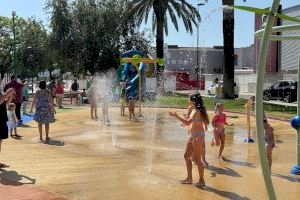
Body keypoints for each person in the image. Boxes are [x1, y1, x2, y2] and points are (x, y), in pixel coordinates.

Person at [169, 93, 209, 187]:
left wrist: (176, 116)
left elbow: (187, 122)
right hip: (193, 135)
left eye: (189, 99)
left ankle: (201, 181)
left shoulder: (196, 111)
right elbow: (190, 122)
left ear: (193, 101)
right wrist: (185, 118)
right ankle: (189, 178)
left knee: (197, 159)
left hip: (197, 136)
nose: (188, 101)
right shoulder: (194, 110)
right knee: (186, 156)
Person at [0, 78, 15, 168]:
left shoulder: (0, 90)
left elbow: (4, 104)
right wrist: (7, 94)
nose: (0, 80)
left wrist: (9, 97)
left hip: (1, 118)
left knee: (0, 141)